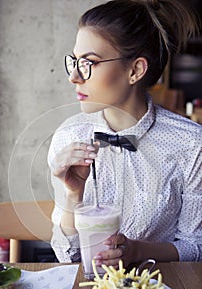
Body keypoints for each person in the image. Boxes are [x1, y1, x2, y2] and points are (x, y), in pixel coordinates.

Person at [48, 0, 202, 268]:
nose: (74, 76)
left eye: (89, 63)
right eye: (74, 61)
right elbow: (67, 255)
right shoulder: (68, 136)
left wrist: (139, 251)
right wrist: (73, 194)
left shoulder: (192, 144)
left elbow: (196, 247)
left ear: (135, 70)